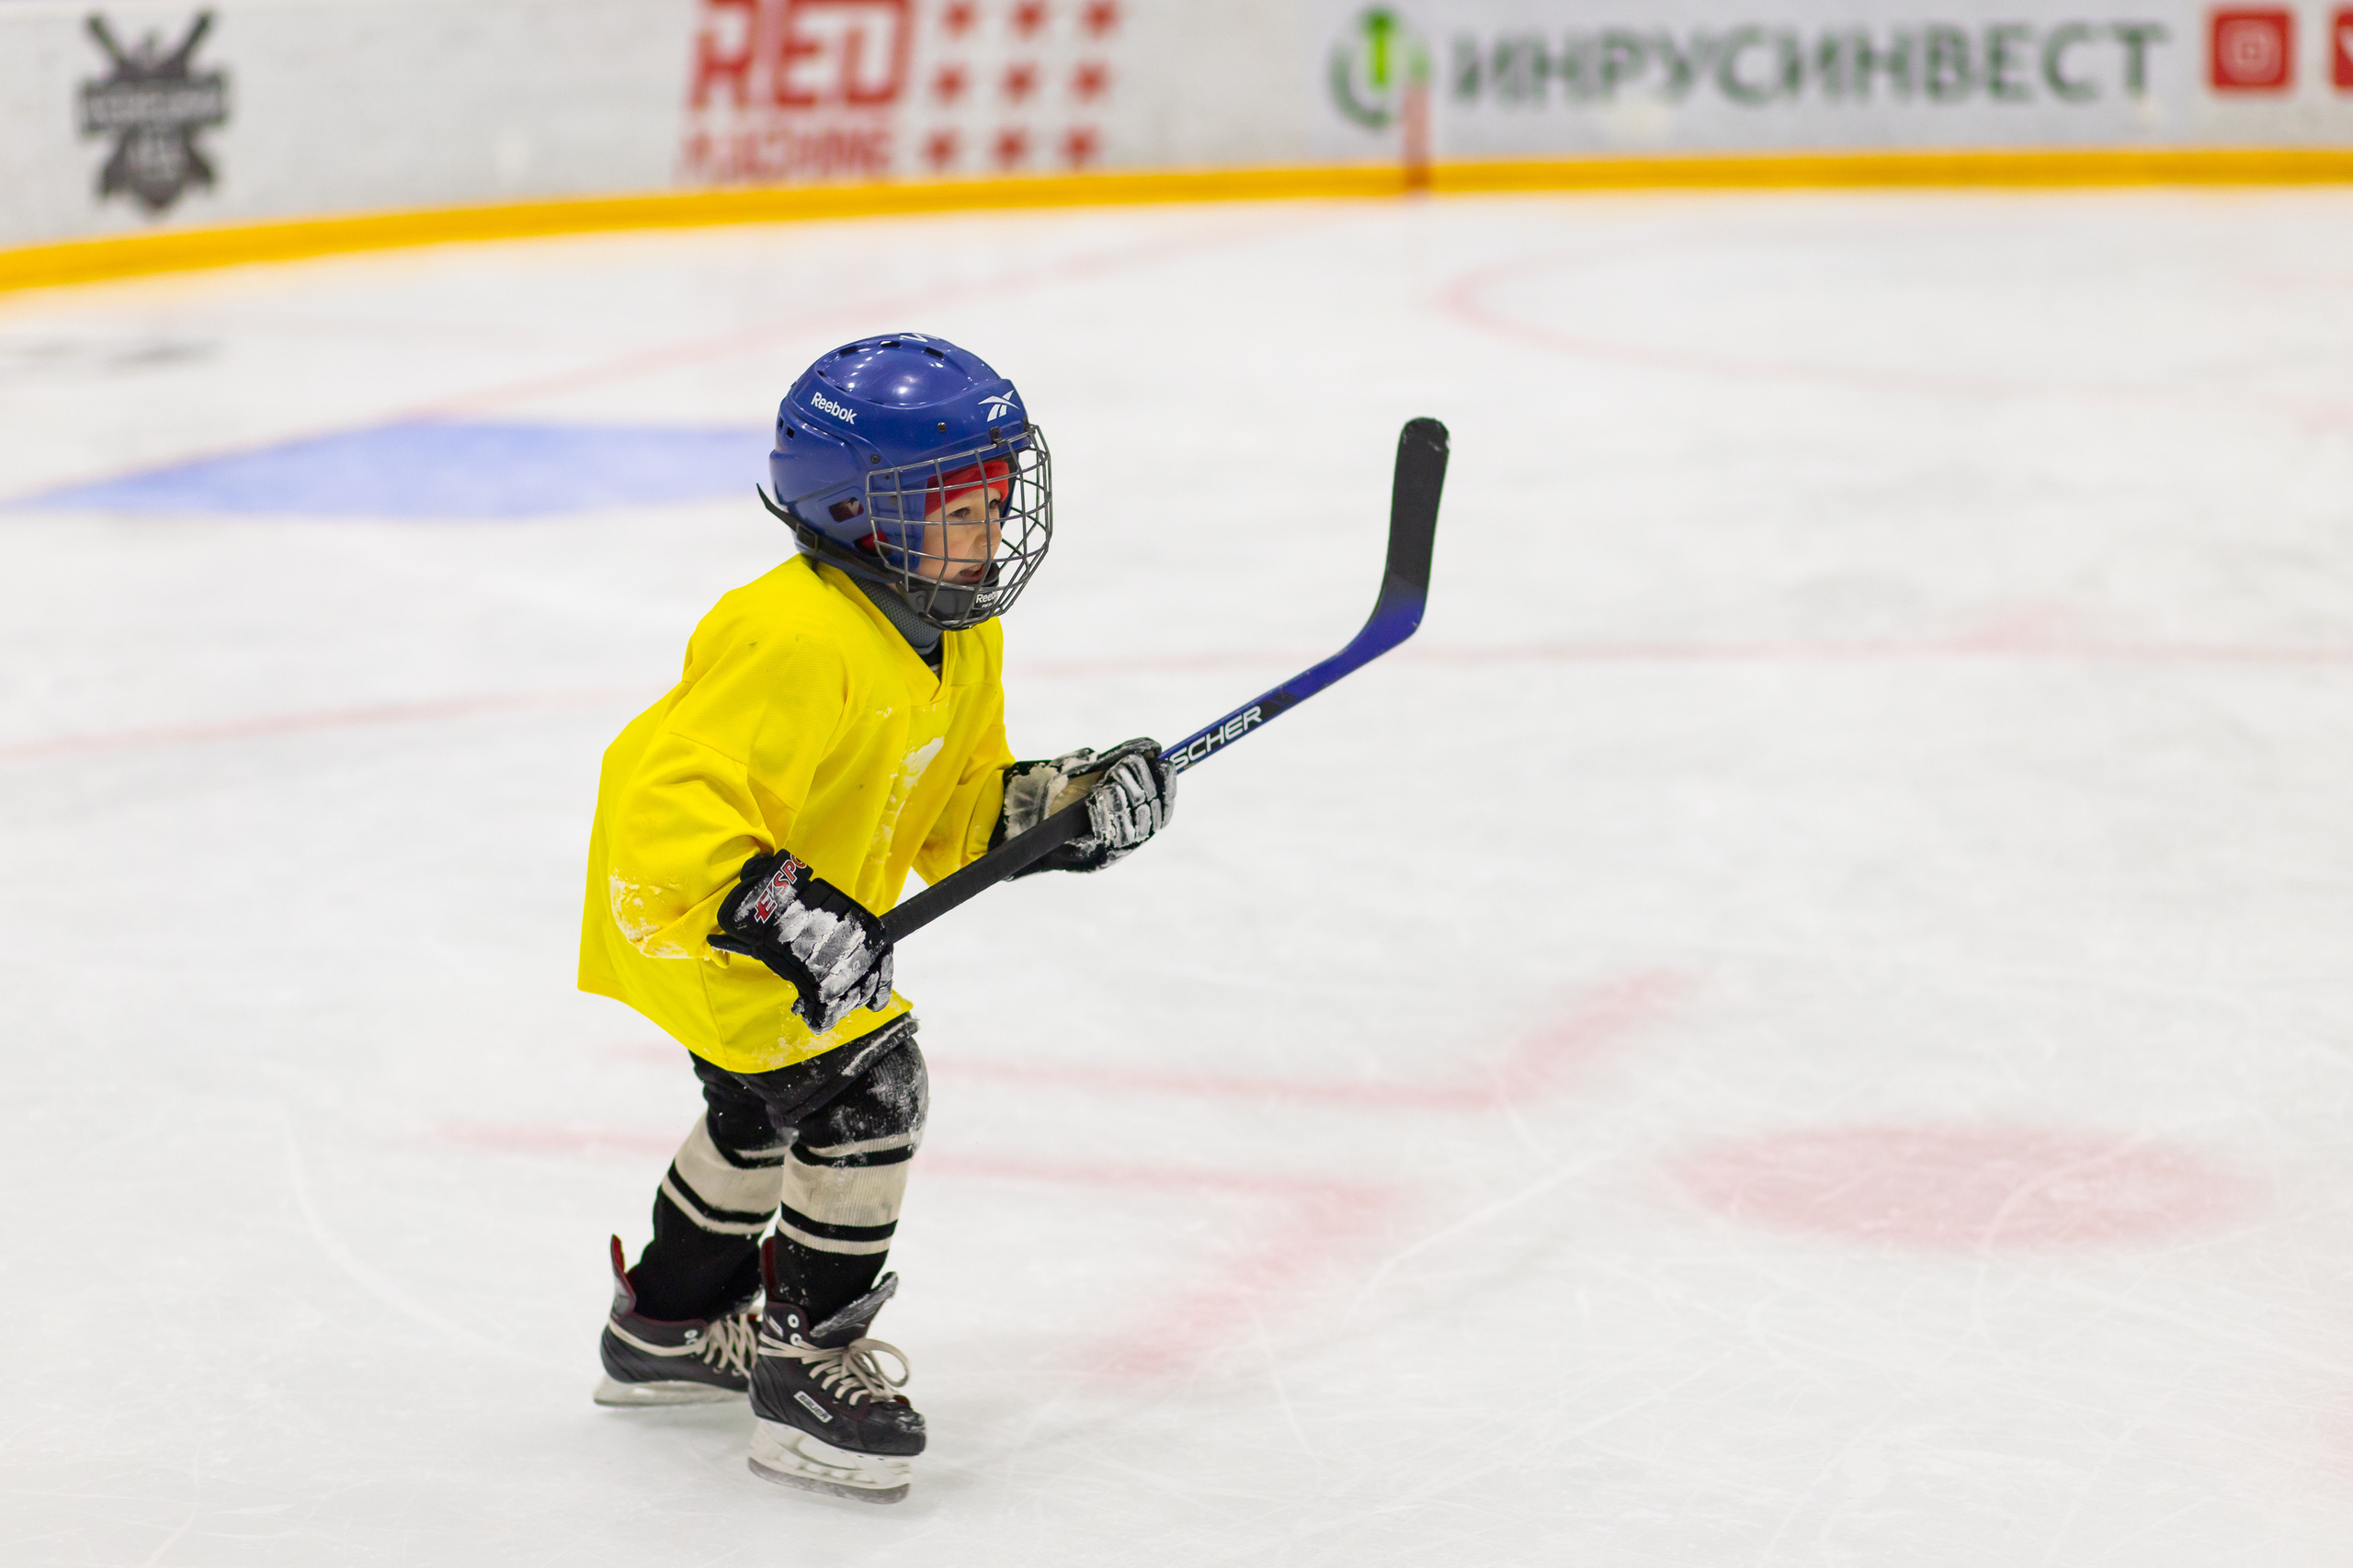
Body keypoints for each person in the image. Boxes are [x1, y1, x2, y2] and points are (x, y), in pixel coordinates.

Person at [575, 334, 1176, 1502]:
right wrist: (783, 914)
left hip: (779, 916)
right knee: (867, 1084)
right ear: (854, 512)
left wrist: (1067, 806)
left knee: (761, 1107)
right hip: (696, 910)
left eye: (996, 499)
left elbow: (954, 810)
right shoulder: (792, 634)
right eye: (956, 507)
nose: (989, 531)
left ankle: (667, 1321)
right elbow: (660, 805)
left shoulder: (958, 629)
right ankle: (806, 1360)